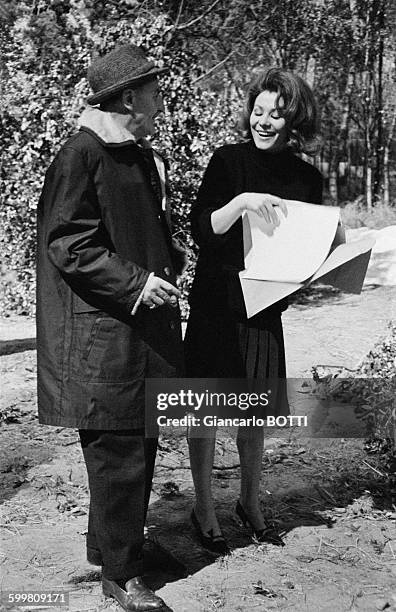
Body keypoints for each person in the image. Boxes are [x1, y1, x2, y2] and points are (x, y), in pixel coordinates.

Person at [36, 44, 186, 612]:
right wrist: (136, 283)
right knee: (117, 450)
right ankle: (122, 578)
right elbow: (68, 242)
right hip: (104, 336)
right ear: (128, 96)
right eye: (152, 89)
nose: (159, 98)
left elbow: (127, 229)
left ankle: (114, 548)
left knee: (138, 440)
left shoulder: (136, 155)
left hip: (137, 333)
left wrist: (165, 249)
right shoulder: (82, 153)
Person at [184, 66, 345, 553]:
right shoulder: (227, 161)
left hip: (263, 308)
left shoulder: (305, 177)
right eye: (258, 110)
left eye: (276, 114)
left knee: (253, 414)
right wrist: (243, 202)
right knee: (206, 411)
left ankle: (250, 503)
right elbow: (201, 228)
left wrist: (333, 249)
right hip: (215, 301)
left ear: (294, 121)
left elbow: (308, 253)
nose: (264, 120)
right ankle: (204, 506)